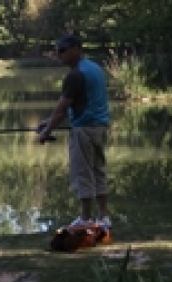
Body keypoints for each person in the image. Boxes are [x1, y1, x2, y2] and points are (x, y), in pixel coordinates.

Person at [37, 33, 112, 229]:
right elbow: (82, 104)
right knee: (99, 172)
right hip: (100, 127)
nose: (58, 54)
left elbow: (62, 110)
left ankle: (85, 219)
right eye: (57, 51)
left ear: (76, 49)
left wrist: (45, 133)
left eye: (62, 50)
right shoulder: (94, 68)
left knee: (83, 173)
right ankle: (103, 218)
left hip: (84, 130)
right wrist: (48, 123)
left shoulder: (75, 75)